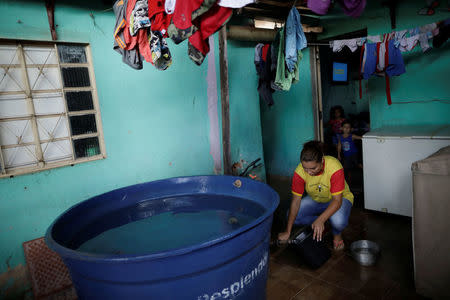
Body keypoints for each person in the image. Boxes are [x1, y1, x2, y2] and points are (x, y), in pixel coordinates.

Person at [278, 141, 354, 250]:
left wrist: (321, 219)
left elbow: (337, 201)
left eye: (313, 168)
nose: (309, 172)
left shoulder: (334, 166)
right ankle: (325, 222)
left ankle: (337, 234)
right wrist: (288, 231)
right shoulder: (299, 172)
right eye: (305, 168)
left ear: (322, 160)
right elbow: (296, 201)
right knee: (291, 216)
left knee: (338, 221)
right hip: (316, 199)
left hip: (340, 199)